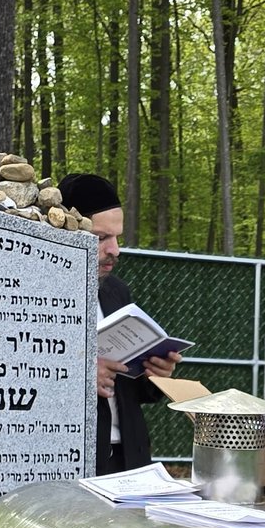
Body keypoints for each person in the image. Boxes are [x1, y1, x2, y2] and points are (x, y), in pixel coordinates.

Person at [59, 172, 180, 472]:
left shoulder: (116, 290)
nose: (115, 250)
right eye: (101, 238)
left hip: (129, 458)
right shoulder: (37, 294)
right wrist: (82, 374)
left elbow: (125, 385)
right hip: (74, 461)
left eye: (117, 237)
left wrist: (154, 374)